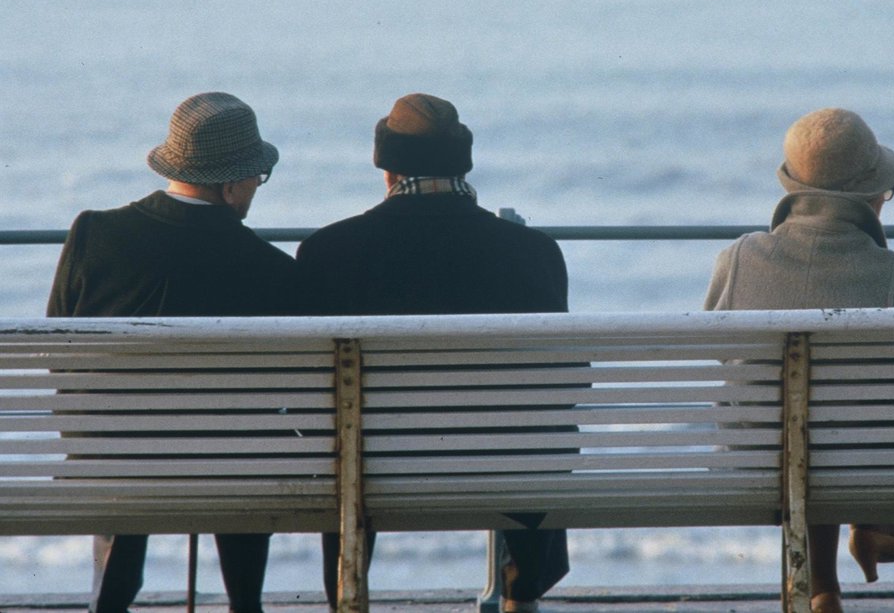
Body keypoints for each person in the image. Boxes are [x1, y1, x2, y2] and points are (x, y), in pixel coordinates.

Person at [295, 93, 569, 613]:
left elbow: (309, 389)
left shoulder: (327, 251)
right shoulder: (533, 251)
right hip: (505, 469)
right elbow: (561, 382)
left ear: (388, 171)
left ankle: (346, 594)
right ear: (462, 163)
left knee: (339, 438)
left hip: (368, 467)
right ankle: (522, 590)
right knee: (540, 431)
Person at [47, 92, 298, 613]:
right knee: (247, 443)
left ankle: (110, 602)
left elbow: (59, 352)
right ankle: (245, 603)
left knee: (121, 439)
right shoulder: (272, 269)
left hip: (111, 462)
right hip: (228, 470)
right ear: (230, 186)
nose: (256, 188)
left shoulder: (93, 233)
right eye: (257, 177)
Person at [704, 108, 894, 613]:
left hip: (752, 461)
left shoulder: (736, 260)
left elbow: (721, 356)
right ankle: (873, 525)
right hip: (859, 467)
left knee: (805, 428)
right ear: (871, 197)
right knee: (850, 429)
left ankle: (823, 588)